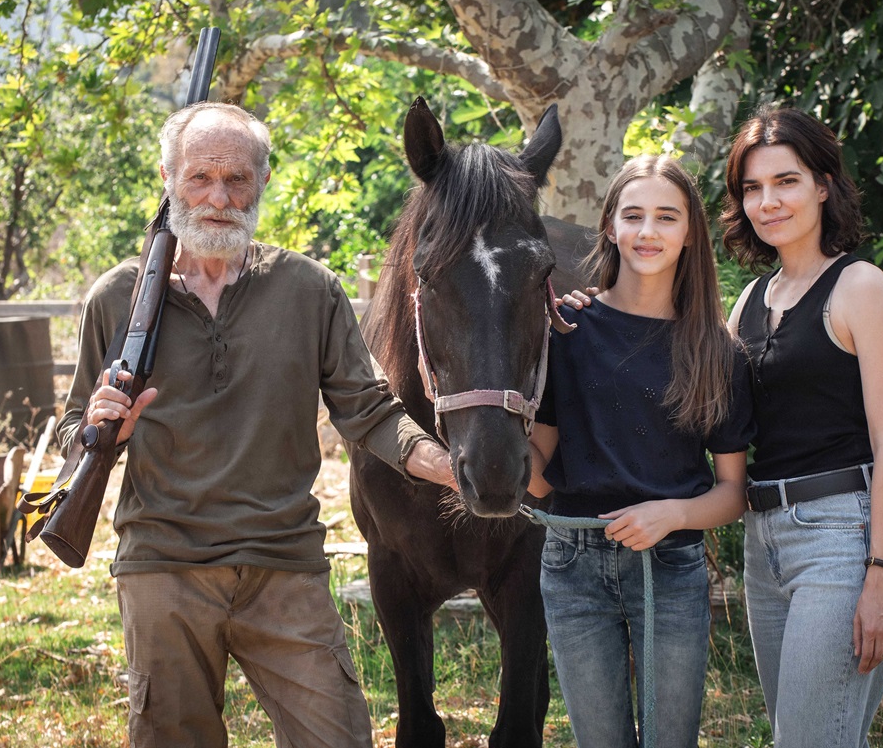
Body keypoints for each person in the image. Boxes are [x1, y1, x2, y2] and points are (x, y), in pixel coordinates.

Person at [60, 101, 454, 748]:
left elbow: (372, 413)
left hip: (284, 561)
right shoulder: (117, 298)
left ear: (263, 181)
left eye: (237, 178)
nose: (219, 196)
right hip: (164, 564)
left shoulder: (311, 289)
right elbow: (73, 427)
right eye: (200, 177)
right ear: (167, 178)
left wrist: (446, 466)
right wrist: (96, 430)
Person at [526, 155, 754, 748]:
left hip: (671, 568)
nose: (647, 232)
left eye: (666, 218)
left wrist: (672, 514)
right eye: (633, 216)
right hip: (573, 565)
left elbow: (733, 493)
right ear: (610, 226)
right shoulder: (566, 331)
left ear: (689, 234)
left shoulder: (715, 349)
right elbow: (538, 474)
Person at [721, 104, 883, 747]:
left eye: (786, 181)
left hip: (843, 538)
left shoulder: (860, 287)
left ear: (823, 185)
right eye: (752, 188)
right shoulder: (749, 301)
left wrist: (880, 575)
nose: (767, 201)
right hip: (762, 541)